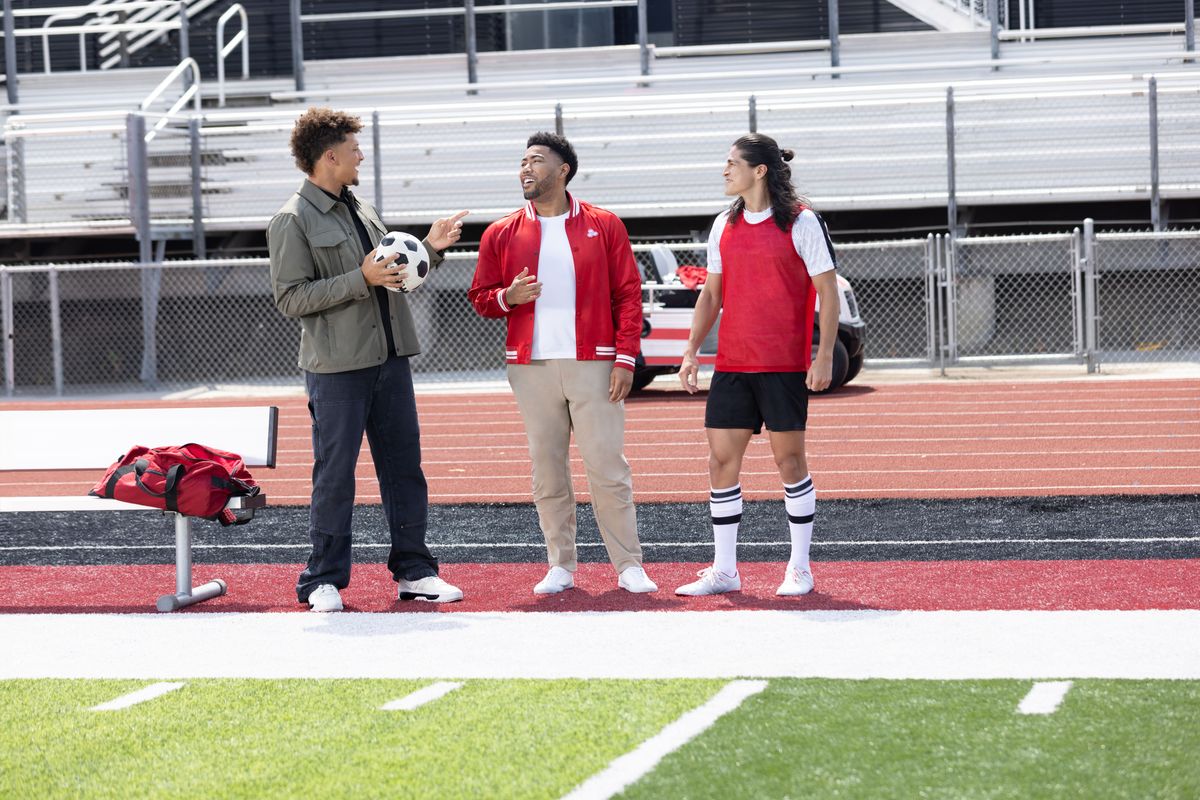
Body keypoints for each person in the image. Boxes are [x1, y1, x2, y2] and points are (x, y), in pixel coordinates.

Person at [268, 107, 469, 612]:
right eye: (354, 149)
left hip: (389, 359)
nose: (361, 155)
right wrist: (361, 279)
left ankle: (415, 572)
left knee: (405, 469)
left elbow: (390, 270)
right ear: (330, 156)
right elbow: (290, 298)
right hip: (336, 368)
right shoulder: (292, 219)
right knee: (335, 474)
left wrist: (431, 248)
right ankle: (321, 580)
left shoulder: (358, 205)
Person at [468, 132, 657, 595]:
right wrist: (506, 297)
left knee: (607, 467)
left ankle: (628, 564)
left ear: (562, 170)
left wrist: (626, 358)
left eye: (536, 160)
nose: (525, 169)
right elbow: (480, 298)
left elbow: (627, 294)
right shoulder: (501, 231)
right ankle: (561, 565)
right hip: (530, 367)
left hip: (595, 361)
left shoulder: (605, 223)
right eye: (522, 162)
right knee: (547, 469)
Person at [675, 133, 840, 598]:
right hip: (733, 363)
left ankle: (800, 568)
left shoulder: (802, 222)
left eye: (732, 163)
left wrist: (822, 353)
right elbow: (711, 293)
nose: (725, 170)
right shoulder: (722, 225)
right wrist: (691, 350)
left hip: (783, 364)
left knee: (790, 463)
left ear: (759, 170)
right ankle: (725, 570)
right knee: (721, 462)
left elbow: (827, 291)